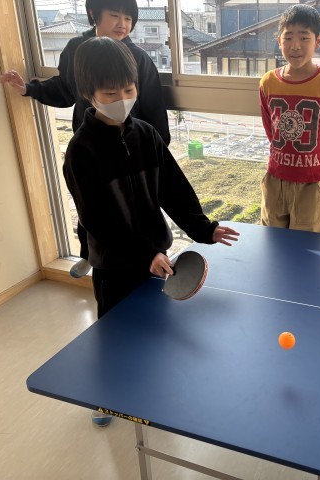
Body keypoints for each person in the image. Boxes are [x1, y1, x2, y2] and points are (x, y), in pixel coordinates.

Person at [65, 36, 239, 426]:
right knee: (116, 335)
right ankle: (107, 397)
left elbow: (174, 189)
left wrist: (203, 228)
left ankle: (151, 385)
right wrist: (144, 252)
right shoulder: (81, 152)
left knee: (155, 327)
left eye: (129, 90)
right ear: (89, 94)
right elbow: (97, 219)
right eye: (111, 93)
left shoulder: (146, 135)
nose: (122, 99)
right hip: (114, 265)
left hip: (156, 260)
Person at [0, 0, 170, 278]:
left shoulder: (138, 58)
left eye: (128, 18)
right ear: (93, 14)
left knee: (133, 205)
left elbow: (153, 107)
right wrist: (29, 88)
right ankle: (90, 254)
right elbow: (65, 89)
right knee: (91, 206)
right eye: (114, 15)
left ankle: (148, 254)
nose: (122, 24)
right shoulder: (76, 50)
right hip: (92, 144)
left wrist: (158, 148)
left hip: (131, 147)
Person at [259, 4, 320, 234]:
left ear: (318, 40)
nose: (295, 45)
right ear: (279, 41)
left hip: (311, 181)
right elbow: (271, 128)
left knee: (309, 243)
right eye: (288, 37)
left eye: (304, 37)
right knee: (272, 239)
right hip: (275, 177)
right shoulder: (268, 82)